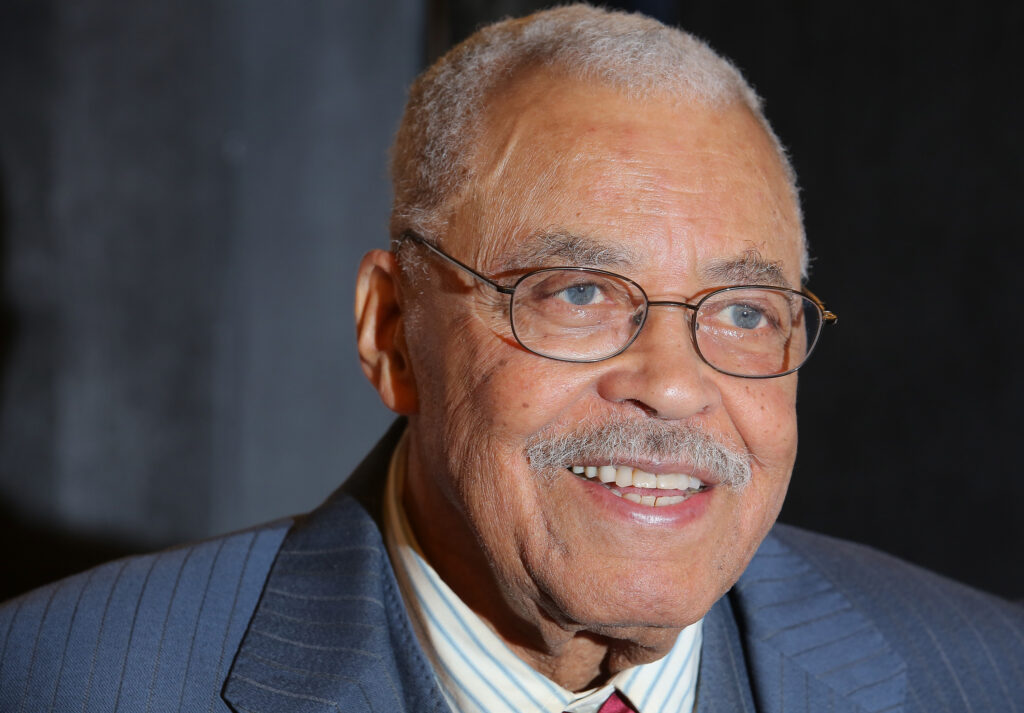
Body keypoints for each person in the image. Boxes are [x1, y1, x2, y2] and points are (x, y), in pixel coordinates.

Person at [1, 5, 1020, 712]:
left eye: (744, 311)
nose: (673, 382)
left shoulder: (982, 674)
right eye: (578, 293)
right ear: (392, 329)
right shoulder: (68, 678)